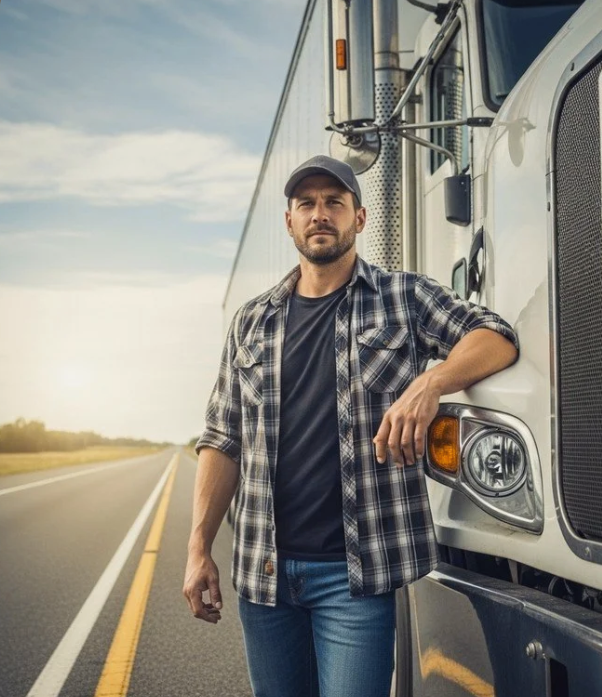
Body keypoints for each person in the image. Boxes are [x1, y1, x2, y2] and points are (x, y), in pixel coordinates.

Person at [183, 155, 519, 697]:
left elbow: (494, 335)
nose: (321, 214)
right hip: (262, 575)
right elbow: (222, 438)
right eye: (307, 204)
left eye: (334, 203)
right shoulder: (253, 319)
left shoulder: (403, 297)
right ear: (290, 221)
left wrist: (430, 383)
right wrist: (199, 548)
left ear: (359, 218)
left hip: (353, 580)